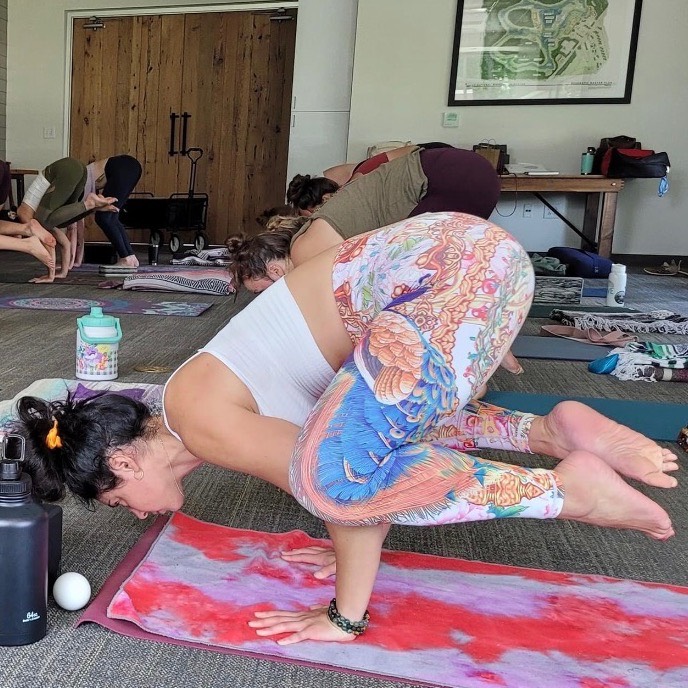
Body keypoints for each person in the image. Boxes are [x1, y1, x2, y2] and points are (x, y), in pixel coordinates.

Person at [15, 212, 676, 645]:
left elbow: (339, 486)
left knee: (332, 480)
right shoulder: (196, 400)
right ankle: (550, 433)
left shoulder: (200, 421)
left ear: (124, 464)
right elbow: (364, 452)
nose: (134, 514)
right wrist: (346, 535)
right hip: (477, 260)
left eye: (117, 502)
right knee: (363, 448)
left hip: (447, 285)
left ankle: (568, 491)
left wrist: (343, 612)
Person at [17, 157, 118, 282]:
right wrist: (63, 272)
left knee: (44, 222)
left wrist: (50, 275)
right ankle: (93, 208)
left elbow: (48, 242)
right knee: (60, 221)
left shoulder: (24, 214)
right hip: (79, 170)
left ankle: (90, 204)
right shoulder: (39, 216)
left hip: (68, 169)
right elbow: (65, 243)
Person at [290, 142, 454, 214]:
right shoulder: (342, 186)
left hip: (435, 162)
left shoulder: (357, 183)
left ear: (326, 198)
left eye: (314, 211)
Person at [82, 155, 143, 270]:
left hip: (122, 167)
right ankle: (131, 257)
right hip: (132, 167)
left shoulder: (82, 182)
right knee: (112, 217)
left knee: (103, 217)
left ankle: (125, 258)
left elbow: (82, 212)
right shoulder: (88, 174)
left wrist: (75, 259)